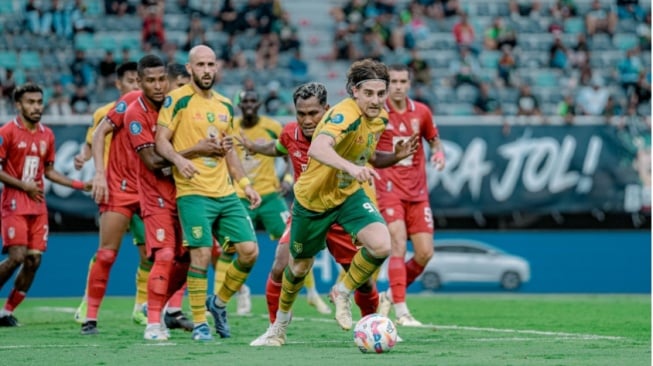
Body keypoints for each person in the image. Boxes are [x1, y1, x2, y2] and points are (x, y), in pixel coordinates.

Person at [251, 59, 419, 347]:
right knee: (298, 268)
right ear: (355, 92)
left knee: (381, 245)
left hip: (347, 196)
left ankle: (343, 292)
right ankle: (277, 328)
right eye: (369, 94)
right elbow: (318, 147)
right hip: (312, 203)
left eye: (381, 93)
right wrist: (352, 168)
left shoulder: (379, 118)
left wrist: (394, 156)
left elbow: (367, 156)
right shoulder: (343, 115)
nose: (376, 100)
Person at [155, 45, 261, 341]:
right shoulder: (176, 100)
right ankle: (201, 324)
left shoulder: (225, 105)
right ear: (189, 69)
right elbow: (160, 142)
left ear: (217, 67)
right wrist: (180, 159)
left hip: (225, 193)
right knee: (200, 255)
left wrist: (245, 185)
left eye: (210, 64)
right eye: (200, 64)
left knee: (250, 252)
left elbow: (229, 152)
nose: (206, 70)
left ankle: (219, 302)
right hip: (193, 192)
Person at [125, 58, 228, 340]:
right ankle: (154, 324)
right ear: (140, 81)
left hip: (187, 192)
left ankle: (154, 306)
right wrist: (195, 151)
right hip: (155, 194)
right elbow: (153, 160)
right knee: (166, 254)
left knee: (188, 259)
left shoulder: (179, 105)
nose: (158, 86)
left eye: (162, 80)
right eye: (150, 81)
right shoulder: (135, 114)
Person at [227, 89, 330, 317]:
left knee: (299, 250)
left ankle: (313, 293)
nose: (250, 105)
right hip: (241, 195)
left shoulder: (273, 125)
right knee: (230, 248)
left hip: (271, 197)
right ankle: (238, 293)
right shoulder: (231, 126)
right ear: (239, 104)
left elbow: (284, 153)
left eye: (254, 100)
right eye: (246, 101)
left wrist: (286, 178)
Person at [0, 83, 91, 326]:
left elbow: (49, 171)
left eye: (39, 102)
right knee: (16, 257)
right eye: (30, 102)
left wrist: (80, 185)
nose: (36, 107)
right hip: (14, 204)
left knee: (33, 261)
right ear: (18, 105)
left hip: (38, 208)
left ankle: (6, 311)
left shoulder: (47, 135)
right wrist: (24, 185)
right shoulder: (7, 132)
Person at [72, 62, 153, 327]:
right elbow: (91, 140)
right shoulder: (104, 113)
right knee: (106, 252)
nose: (136, 86)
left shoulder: (153, 108)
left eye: (138, 81)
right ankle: (88, 303)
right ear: (119, 84)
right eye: (131, 81)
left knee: (150, 254)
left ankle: (142, 306)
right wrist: (88, 163)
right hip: (113, 185)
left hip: (143, 187)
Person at [374, 64, 446, 327]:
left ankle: (391, 294)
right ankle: (402, 311)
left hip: (417, 192)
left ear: (409, 83)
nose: (398, 86)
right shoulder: (378, 112)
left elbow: (434, 139)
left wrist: (438, 153)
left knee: (425, 253)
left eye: (403, 81)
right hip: (389, 188)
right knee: (398, 244)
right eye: (393, 81)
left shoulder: (422, 112)